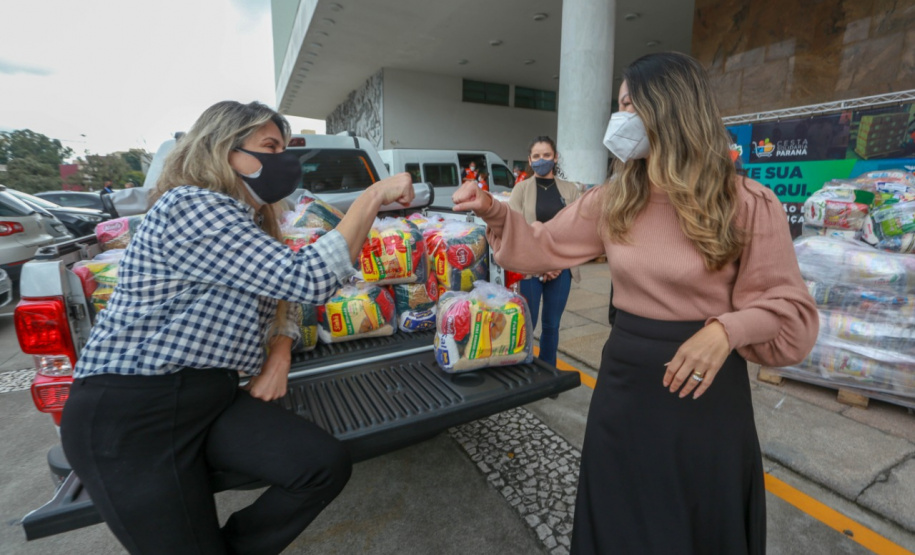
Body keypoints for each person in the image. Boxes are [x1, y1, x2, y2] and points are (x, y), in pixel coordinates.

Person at [453, 52, 818, 554]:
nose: (619, 118)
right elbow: (541, 245)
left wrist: (725, 331)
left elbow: (791, 318)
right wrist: (494, 209)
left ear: (668, 107)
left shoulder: (747, 203)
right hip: (624, 392)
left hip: (704, 400)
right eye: (619, 105)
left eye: (629, 104)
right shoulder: (615, 197)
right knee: (620, 524)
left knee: (696, 528)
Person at [60, 100, 414, 555]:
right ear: (224, 149)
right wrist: (372, 196)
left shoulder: (250, 222)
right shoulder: (193, 206)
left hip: (208, 396)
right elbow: (305, 278)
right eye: (270, 146)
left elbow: (282, 294)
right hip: (133, 410)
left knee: (320, 466)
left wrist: (280, 352)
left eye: (285, 149)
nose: (283, 160)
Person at [506, 136, 581, 366]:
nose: (542, 160)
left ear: (555, 157)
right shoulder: (520, 189)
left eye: (546, 155)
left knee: (551, 324)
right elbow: (517, 231)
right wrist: (542, 264)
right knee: (528, 323)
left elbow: (576, 231)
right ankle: (523, 368)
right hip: (529, 269)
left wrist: (556, 264)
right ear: (530, 160)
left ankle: (548, 369)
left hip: (561, 269)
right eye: (536, 156)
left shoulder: (570, 190)